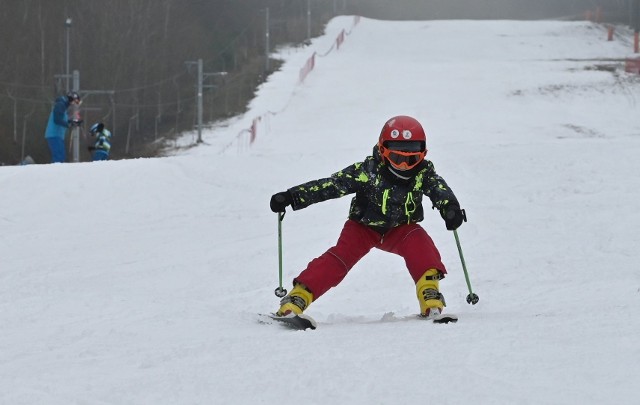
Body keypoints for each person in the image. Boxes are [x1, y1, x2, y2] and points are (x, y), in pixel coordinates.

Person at [269, 115, 466, 319]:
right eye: (397, 158)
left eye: (412, 159)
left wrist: (450, 208)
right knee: (339, 258)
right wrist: (292, 196)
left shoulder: (423, 173)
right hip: (363, 227)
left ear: (423, 154)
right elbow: (331, 185)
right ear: (382, 150)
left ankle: (430, 294)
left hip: (401, 228)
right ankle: (298, 298)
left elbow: (439, 190)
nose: (404, 166)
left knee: (421, 245)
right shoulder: (367, 171)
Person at [44, 91, 82, 163]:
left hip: (58, 135)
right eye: (75, 102)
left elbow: (63, 120)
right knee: (59, 157)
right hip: (54, 135)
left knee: (61, 156)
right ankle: (55, 172)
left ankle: (57, 172)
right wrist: (69, 124)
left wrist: (73, 122)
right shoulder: (60, 105)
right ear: (71, 99)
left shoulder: (63, 107)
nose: (74, 104)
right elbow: (57, 119)